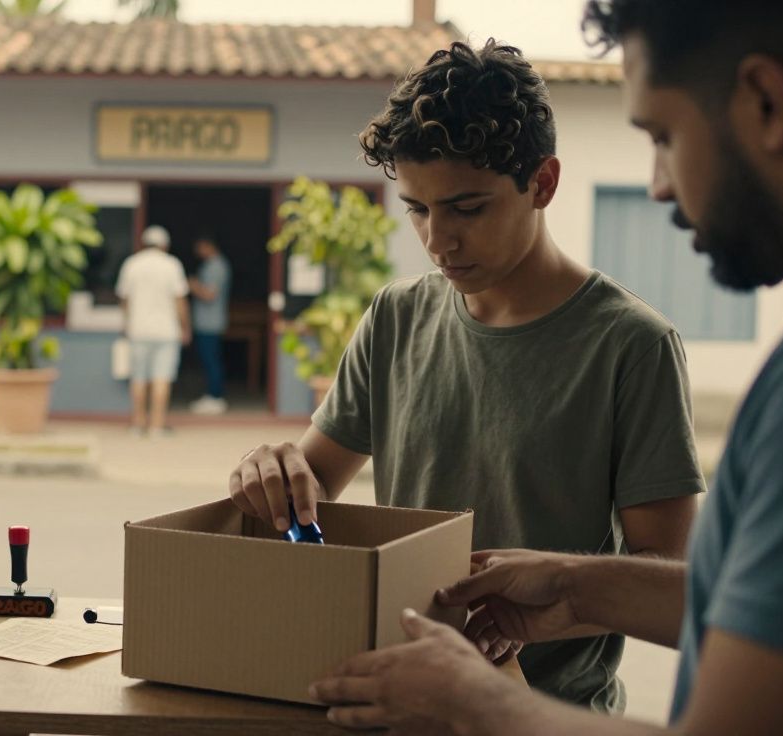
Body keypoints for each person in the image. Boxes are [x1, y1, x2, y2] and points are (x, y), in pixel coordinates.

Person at [309, 1, 783, 733]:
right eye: (418, 211)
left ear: (768, 101)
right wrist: (577, 589)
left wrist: (472, 699)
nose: (658, 187)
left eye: (663, 136)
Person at [229, 40, 704, 711]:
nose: (437, 239)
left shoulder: (632, 345)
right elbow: (306, 501)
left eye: (467, 208)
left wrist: (557, 590)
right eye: (418, 209)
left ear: (542, 183)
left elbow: (669, 579)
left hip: (552, 715)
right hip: (401, 702)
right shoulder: (398, 316)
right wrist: (272, 474)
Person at [116, 224, 191, 436]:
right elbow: (180, 300)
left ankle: (138, 424)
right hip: (166, 331)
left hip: (138, 330)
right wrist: (185, 327)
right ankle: (157, 426)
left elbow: (124, 299)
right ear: (164, 245)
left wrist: (126, 323)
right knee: (162, 378)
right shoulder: (172, 265)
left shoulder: (132, 264)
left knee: (138, 378)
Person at [188, 235, 232, 415]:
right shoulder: (212, 265)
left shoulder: (216, 266)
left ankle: (215, 397)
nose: (197, 252)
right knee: (209, 359)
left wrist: (192, 285)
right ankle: (212, 396)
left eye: (199, 247)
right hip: (206, 322)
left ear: (208, 245)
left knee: (211, 360)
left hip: (211, 323)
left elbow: (209, 295)